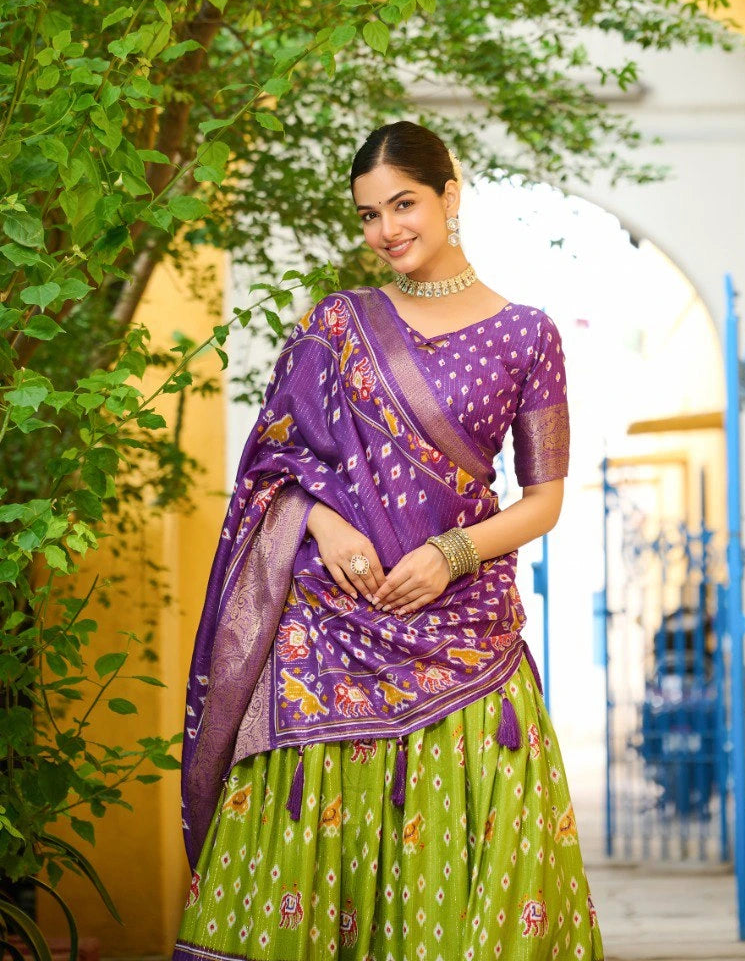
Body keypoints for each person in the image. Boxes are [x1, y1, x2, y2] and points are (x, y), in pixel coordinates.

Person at [173, 120, 604, 960]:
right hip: (326, 632)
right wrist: (326, 524)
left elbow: (543, 498)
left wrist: (453, 554)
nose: (386, 231)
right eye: (369, 215)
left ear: (449, 194)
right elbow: (273, 464)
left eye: (403, 204)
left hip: (465, 640)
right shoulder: (337, 324)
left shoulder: (527, 335)